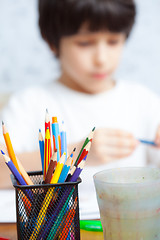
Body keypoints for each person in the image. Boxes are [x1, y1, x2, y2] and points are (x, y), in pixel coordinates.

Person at [1, 0, 160, 219]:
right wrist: (78, 152)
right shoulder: (29, 103)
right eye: (85, 43)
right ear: (52, 42)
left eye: (113, 41)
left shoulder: (145, 101)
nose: (101, 59)